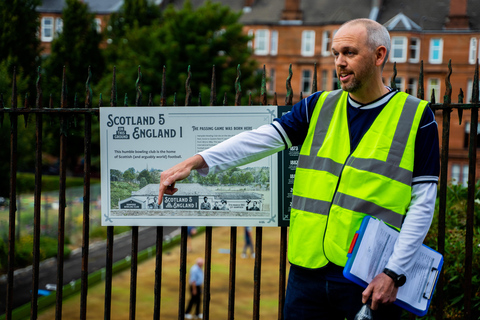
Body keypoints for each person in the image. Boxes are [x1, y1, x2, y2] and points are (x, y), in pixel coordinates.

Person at [159, 18, 439, 320]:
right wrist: (197, 161)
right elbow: (260, 140)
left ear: (379, 55)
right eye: (335, 54)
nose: (339, 63)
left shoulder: (416, 116)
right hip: (306, 274)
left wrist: (393, 273)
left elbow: (422, 205)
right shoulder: (318, 106)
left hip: (368, 277)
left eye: (349, 53)